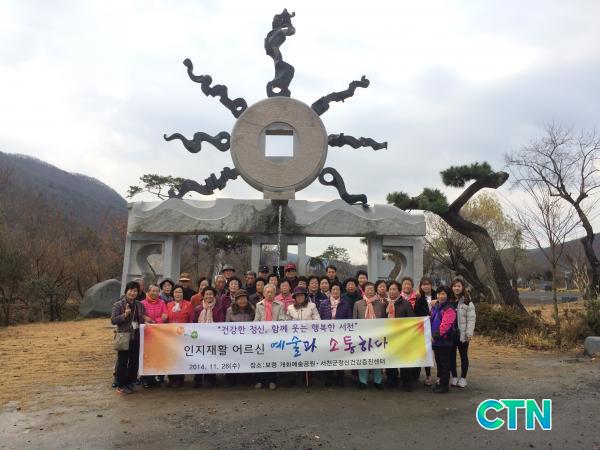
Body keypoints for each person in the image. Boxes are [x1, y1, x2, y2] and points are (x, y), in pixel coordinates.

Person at [111, 281, 146, 395]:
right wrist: (125, 315)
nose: (132, 293)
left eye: (135, 291)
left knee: (134, 361)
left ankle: (130, 382)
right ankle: (120, 384)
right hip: (124, 336)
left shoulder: (140, 305)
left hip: (137, 336)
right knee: (122, 361)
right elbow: (113, 320)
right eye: (130, 290)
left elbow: (142, 318)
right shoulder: (118, 304)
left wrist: (147, 321)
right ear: (126, 291)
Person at [285, 287, 320, 386]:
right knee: (294, 357)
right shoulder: (290, 308)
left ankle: (308, 378)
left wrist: (308, 325)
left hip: (308, 336)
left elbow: (318, 320)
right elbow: (287, 322)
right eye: (297, 295)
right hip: (294, 337)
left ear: (305, 296)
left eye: (302, 295)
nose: (300, 297)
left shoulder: (312, 306)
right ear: (294, 297)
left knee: (307, 357)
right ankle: (293, 378)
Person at [353, 282, 386, 390]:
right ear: (363, 290)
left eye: (372, 289)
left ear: (375, 290)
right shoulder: (358, 304)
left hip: (377, 336)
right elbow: (354, 320)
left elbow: (384, 320)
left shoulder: (380, 304)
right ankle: (363, 381)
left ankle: (378, 381)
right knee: (363, 359)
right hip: (362, 336)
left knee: (377, 358)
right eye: (368, 289)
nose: (370, 291)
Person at [318, 282, 351, 387]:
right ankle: (329, 378)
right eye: (333, 289)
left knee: (340, 356)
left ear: (341, 292)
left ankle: (340, 378)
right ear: (330, 291)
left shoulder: (345, 303)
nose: (335, 291)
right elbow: (319, 318)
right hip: (327, 334)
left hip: (340, 334)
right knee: (328, 356)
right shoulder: (324, 303)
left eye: (338, 289)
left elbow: (349, 319)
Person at [399, 276, 429, 390]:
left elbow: (425, 312)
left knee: (415, 353)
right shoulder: (397, 297)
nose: (407, 286)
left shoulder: (419, 297)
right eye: (405, 284)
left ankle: (415, 375)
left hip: (416, 330)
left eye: (409, 284)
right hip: (401, 331)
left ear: (412, 286)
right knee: (403, 354)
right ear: (401, 286)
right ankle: (405, 377)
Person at [254, 284, 286, 390]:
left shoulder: (280, 305)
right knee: (261, 358)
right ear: (264, 293)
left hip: (274, 336)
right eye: (267, 292)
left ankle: (272, 381)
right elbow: (256, 320)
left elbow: (282, 320)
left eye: (272, 292)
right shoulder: (259, 305)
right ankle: (260, 380)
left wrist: (273, 328)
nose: (270, 294)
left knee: (272, 358)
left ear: (275, 293)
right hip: (261, 336)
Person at [193, 286, 225, 388]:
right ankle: (198, 379)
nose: (208, 296)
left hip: (213, 338)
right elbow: (193, 322)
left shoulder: (219, 308)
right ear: (203, 296)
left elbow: (221, 322)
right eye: (206, 294)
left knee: (211, 358)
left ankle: (210, 379)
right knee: (199, 358)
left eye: (210, 294)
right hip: (200, 338)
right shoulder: (198, 308)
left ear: (214, 295)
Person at [383, 280, 413, 389]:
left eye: (394, 289)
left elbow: (411, 320)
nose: (392, 291)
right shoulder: (384, 303)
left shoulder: (406, 303)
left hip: (402, 337)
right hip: (389, 337)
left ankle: (406, 382)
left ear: (399, 291)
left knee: (404, 361)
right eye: (390, 289)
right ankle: (392, 381)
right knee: (391, 360)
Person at [225, 289, 255, 387]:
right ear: (236, 300)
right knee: (233, 359)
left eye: (244, 299)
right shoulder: (230, 310)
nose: (242, 301)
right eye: (240, 299)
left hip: (248, 340)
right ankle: (231, 379)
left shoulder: (252, 309)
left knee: (246, 359)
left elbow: (255, 324)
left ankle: (247, 379)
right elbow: (226, 325)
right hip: (234, 340)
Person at [449, 278, 476, 388]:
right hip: (451, 333)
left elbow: (471, 319)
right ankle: (454, 377)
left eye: (459, 286)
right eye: (455, 286)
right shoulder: (449, 300)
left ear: (462, 287)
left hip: (463, 334)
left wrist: (469, 333)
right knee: (451, 356)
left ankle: (463, 378)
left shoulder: (467, 302)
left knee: (463, 356)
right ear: (452, 288)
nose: (456, 288)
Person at [430, 286, 457, 393]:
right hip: (436, 342)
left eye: (443, 294)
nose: (440, 296)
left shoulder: (449, 309)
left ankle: (444, 386)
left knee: (445, 364)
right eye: (439, 293)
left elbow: (446, 325)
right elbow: (431, 319)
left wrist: (435, 336)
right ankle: (440, 383)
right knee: (439, 363)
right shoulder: (437, 306)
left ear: (448, 295)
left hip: (444, 341)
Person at [140, 284, 168, 388]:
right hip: (146, 335)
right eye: (153, 291)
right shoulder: (142, 303)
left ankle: (158, 377)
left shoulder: (162, 302)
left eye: (157, 291)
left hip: (159, 334)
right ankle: (145, 379)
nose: (155, 293)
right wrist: (145, 318)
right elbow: (140, 316)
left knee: (158, 355)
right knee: (147, 357)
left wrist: (153, 321)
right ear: (148, 292)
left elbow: (165, 316)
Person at [166, 285, 194, 387]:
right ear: (173, 294)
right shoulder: (168, 304)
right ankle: (171, 379)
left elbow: (191, 320)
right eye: (176, 292)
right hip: (170, 335)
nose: (178, 294)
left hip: (183, 335)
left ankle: (180, 379)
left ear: (183, 294)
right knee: (171, 357)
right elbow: (165, 319)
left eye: (180, 292)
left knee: (181, 357)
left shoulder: (188, 304)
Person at [419, 277, 437, 386]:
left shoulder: (438, 295)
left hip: (437, 327)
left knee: (438, 353)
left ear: (431, 285)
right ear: (421, 286)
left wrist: (437, 302)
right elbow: (416, 313)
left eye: (428, 284)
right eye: (423, 284)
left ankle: (440, 376)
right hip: (425, 328)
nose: (426, 286)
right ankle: (428, 376)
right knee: (427, 352)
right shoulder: (419, 298)